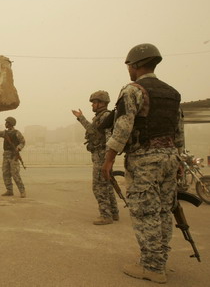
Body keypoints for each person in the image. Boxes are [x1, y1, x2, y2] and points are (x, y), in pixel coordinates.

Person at [101, 43, 183, 284]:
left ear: (135, 65)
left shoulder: (133, 90)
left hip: (145, 160)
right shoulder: (172, 93)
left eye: (129, 65)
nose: (128, 69)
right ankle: (160, 262)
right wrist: (177, 158)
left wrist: (108, 160)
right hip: (169, 157)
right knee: (163, 211)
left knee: (145, 212)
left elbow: (123, 128)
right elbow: (178, 130)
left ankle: (152, 267)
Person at [72, 91, 119, 225]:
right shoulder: (101, 116)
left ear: (102, 103)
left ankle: (106, 215)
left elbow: (101, 134)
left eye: (94, 102)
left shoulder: (105, 116)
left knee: (98, 186)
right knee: (107, 185)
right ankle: (114, 213)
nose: (92, 105)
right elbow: (94, 131)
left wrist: (81, 118)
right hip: (102, 154)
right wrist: (81, 118)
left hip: (102, 155)